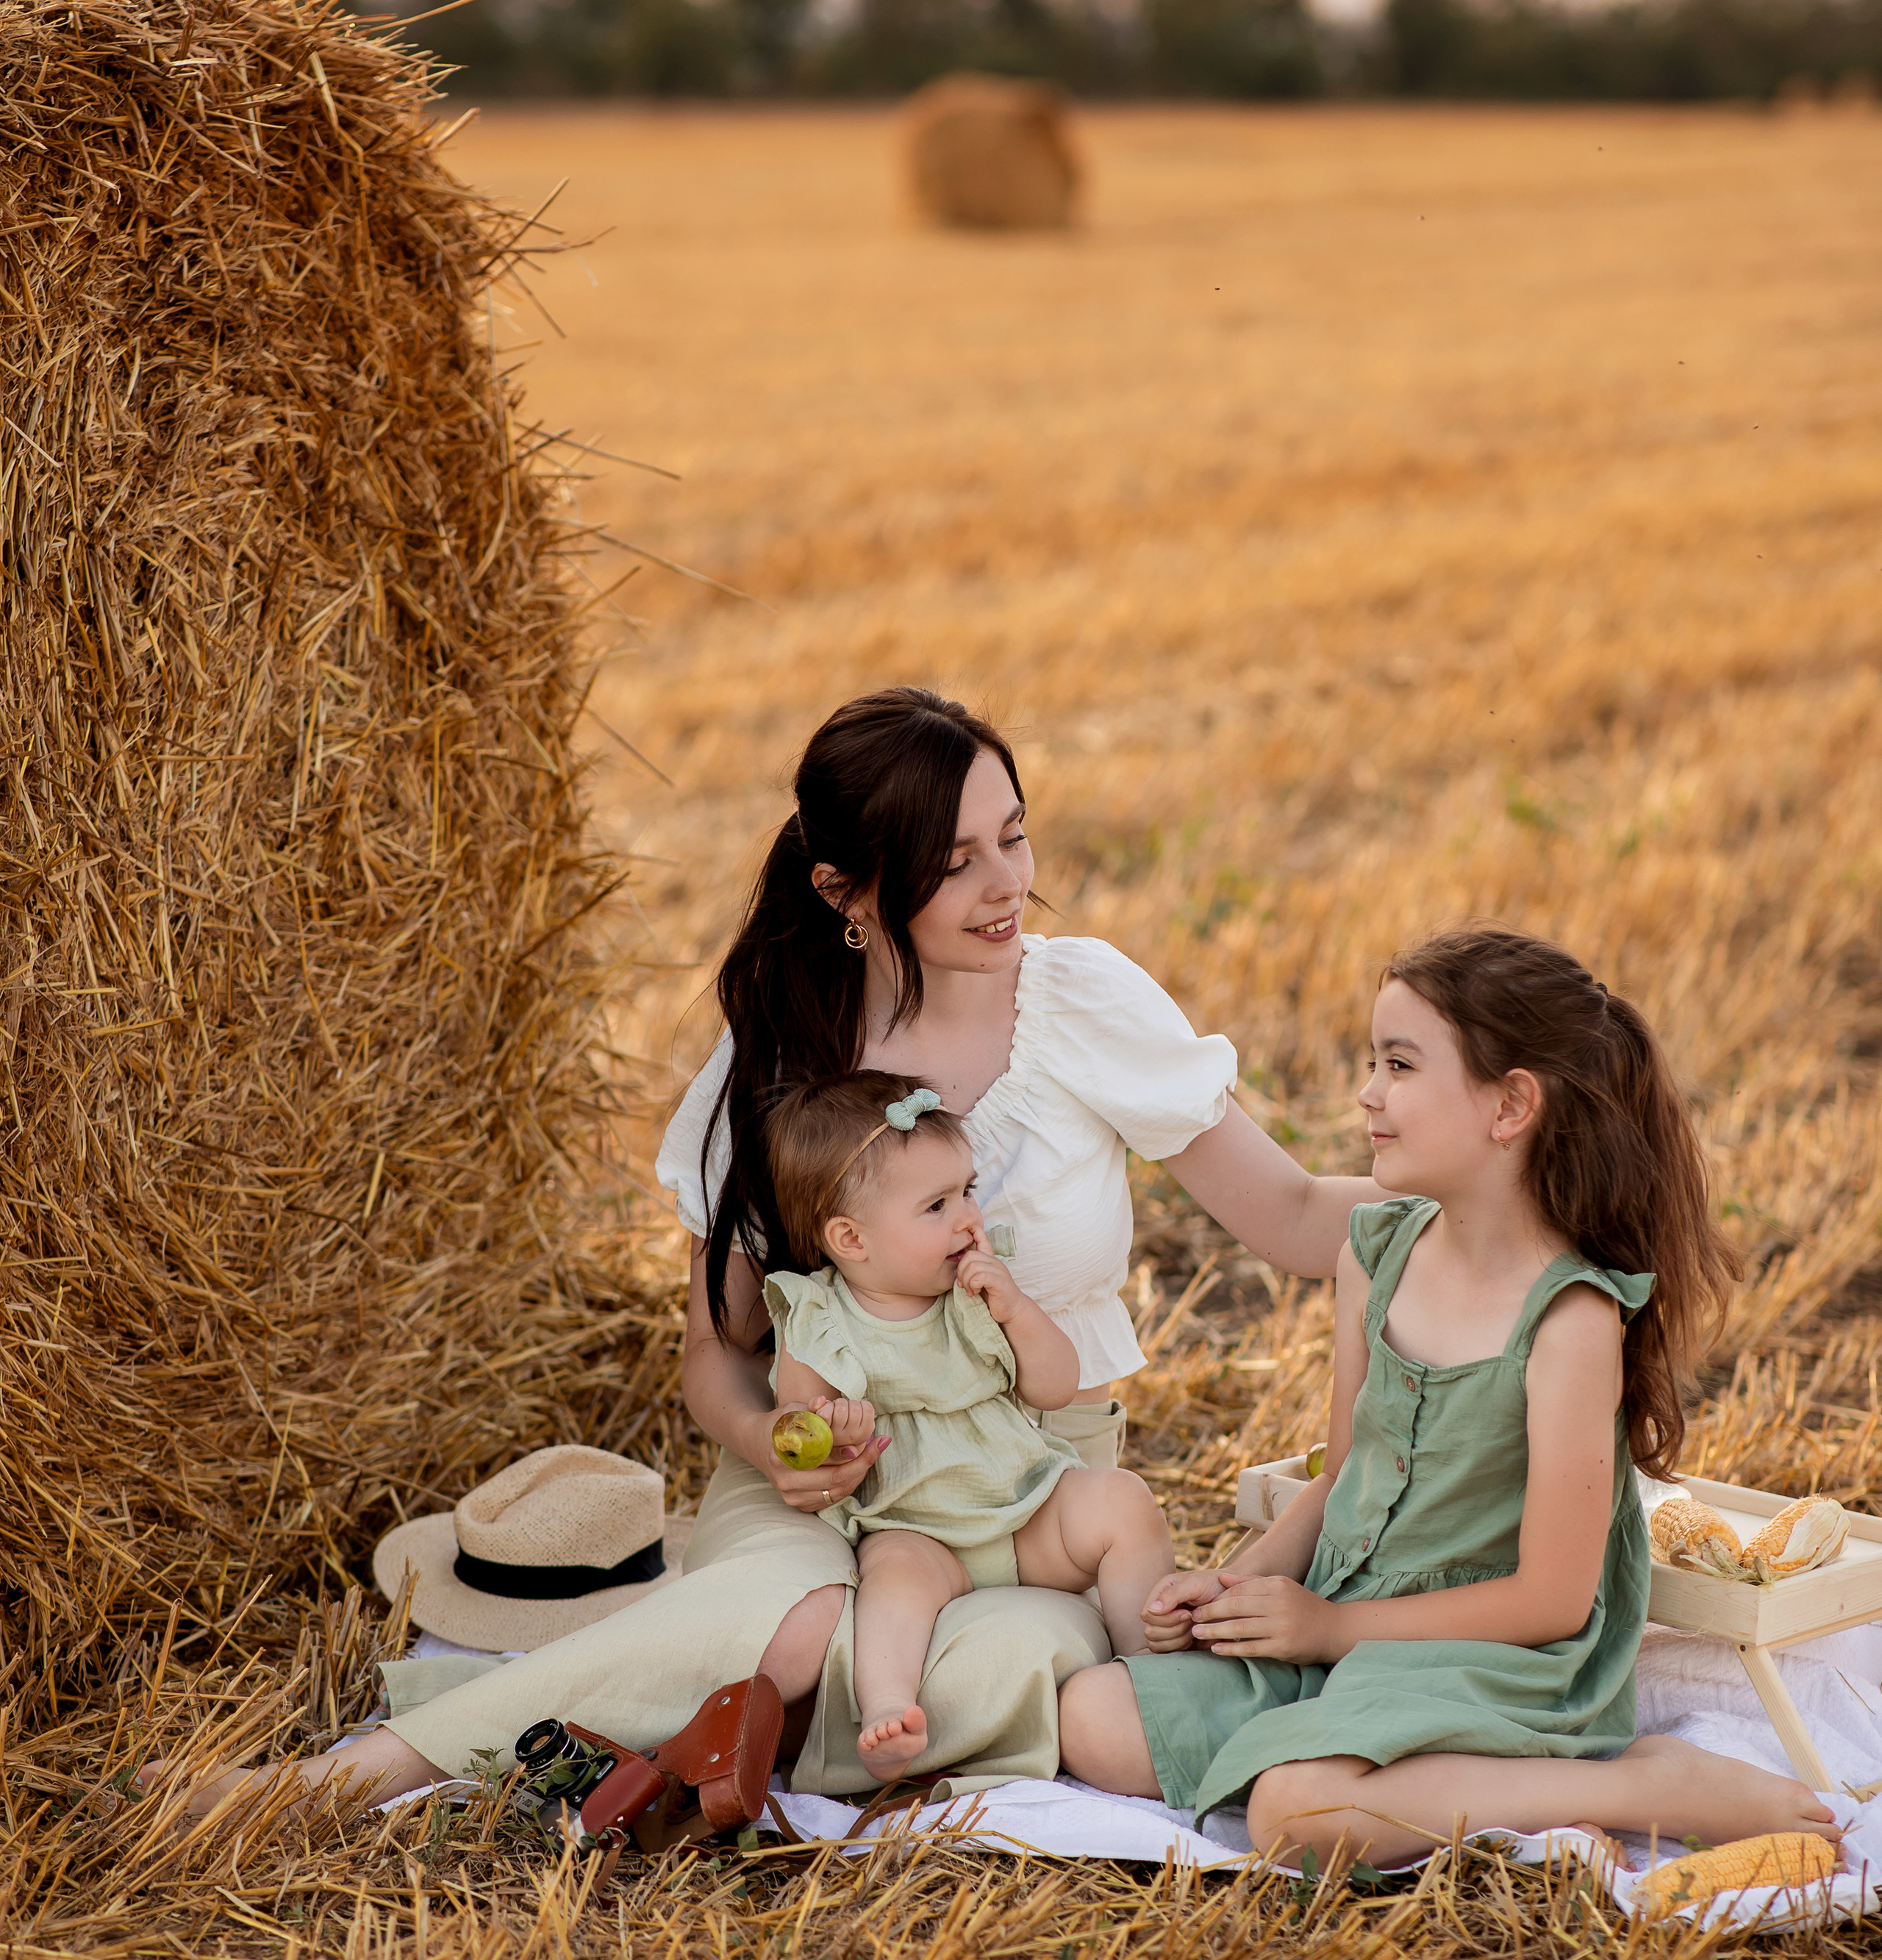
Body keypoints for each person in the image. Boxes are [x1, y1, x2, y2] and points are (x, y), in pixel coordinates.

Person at [151, 685, 1376, 1826]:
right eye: (956, 864)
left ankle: (656, 1741)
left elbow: (1301, 1218)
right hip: (829, 1499)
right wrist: (780, 1456)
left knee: (1017, 1660)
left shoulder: (1086, 1006)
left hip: (1028, 1493)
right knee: (795, 1625)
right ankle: (336, 1782)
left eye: (1015, 835)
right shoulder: (778, 1062)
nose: (1009, 884)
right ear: (848, 892)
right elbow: (716, 1356)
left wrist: (1490, 1199)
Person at [1059, 927, 1846, 1874]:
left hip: (1492, 1656)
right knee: (1093, 1719)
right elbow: (1343, 1471)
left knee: (1293, 1811)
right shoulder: (1376, 1252)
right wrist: (1243, 1587)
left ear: (1510, 1104)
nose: (1366, 1092)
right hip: (1347, 1617)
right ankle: (1386, 1761)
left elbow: (1551, 1602)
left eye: (1398, 1064)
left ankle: (1642, 1785)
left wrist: (1329, 1630)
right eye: (1371, 1061)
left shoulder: (1568, 1320)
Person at [762, 1073, 1175, 1775]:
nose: (968, 1219)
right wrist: (831, 1426)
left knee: (1122, 1501)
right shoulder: (820, 1317)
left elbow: (1055, 1385)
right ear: (851, 1238)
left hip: (1025, 1509)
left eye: (968, 1192)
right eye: (937, 1205)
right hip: (919, 1530)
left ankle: (1150, 1671)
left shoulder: (975, 1289)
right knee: (890, 1584)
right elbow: (795, 1428)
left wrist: (1016, 1311)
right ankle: (888, 1709)